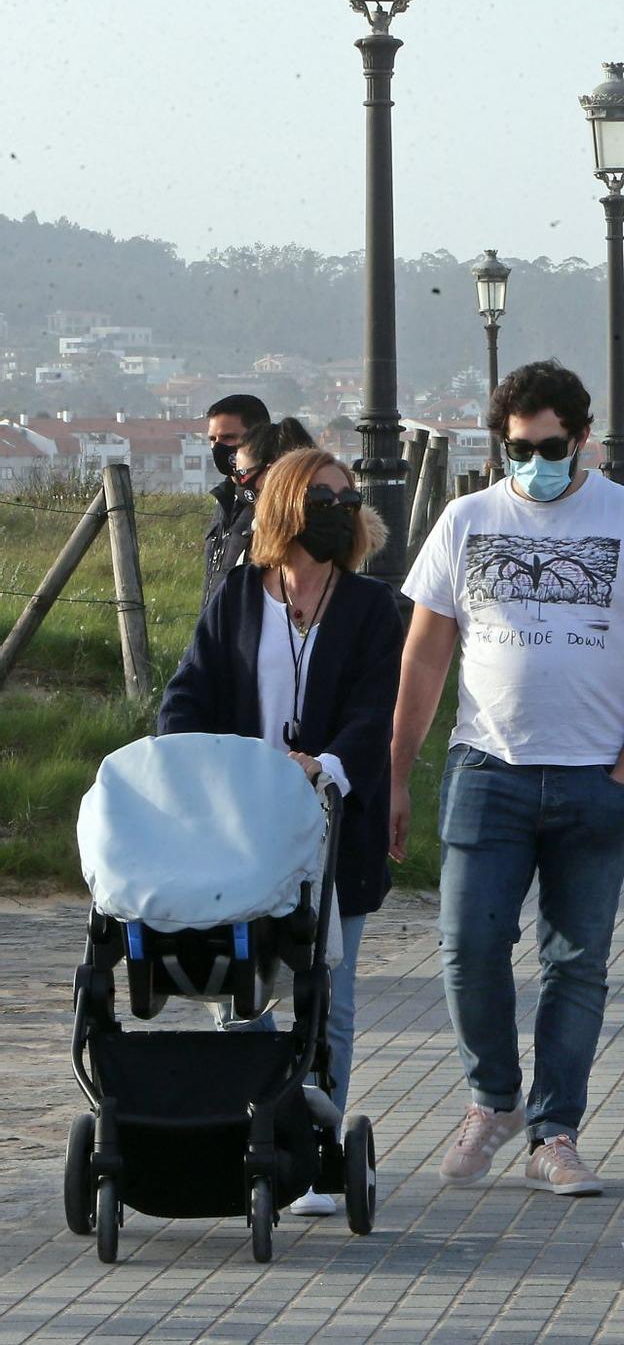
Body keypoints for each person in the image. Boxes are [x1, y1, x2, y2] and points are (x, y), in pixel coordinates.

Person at [392, 361, 624, 1198]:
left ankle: (554, 1130)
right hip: (488, 768)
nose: (533, 461)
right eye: (517, 447)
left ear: (584, 438)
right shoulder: (466, 519)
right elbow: (424, 655)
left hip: (596, 776)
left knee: (577, 961)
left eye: (549, 445)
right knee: (469, 945)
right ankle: (492, 1098)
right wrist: (397, 772)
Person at [159, 448, 401, 1219]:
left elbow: (374, 714)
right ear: (286, 507)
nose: (339, 508)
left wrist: (323, 765)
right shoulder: (237, 597)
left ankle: (316, 1143)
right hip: (240, 824)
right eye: (322, 496)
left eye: (348, 497)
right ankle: (239, 1129)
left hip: (332, 824)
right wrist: (198, 761)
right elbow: (188, 694)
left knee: (327, 986)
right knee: (238, 983)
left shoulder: (369, 607)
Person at [221, 418, 319, 576]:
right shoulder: (249, 524)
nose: (237, 482)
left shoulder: (302, 538)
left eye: (241, 475)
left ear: (271, 472)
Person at [203, 393, 271, 605]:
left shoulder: (276, 504)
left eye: (229, 438)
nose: (218, 448)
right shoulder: (226, 499)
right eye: (212, 440)